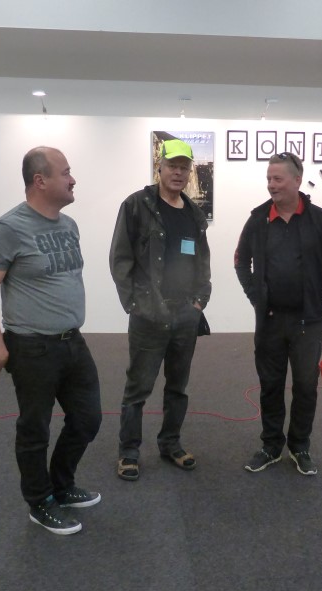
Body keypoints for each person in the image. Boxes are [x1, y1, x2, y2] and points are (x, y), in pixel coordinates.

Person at [0, 146, 102, 535]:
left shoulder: (68, 225)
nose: (73, 179)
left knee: (88, 419)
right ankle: (39, 501)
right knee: (35, 429)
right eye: (66, 173)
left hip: (72, 341)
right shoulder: (8, 230)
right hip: (32, 348)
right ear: (40, 181)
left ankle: (61, 485)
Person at [234, 151, 322, 476]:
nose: (271, 185)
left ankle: (299, 446)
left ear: (297, 180)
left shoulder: (320, 220)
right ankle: (271, 446)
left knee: (305, 386)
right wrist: (256, 296)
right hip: (269, 320)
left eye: (278, 179)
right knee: (270, 384)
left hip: (308, 321)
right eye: (269, 179)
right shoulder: (258, 219)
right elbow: (241, 261)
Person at [109, 138, 211, 481]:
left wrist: (199, 301)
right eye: (172, 166)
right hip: (149, 313)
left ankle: (170, 444)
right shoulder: (136, 205)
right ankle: (129, 452)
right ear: (160, 168)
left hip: (185, 315)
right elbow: (120, 258)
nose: (178, 173)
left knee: (178, 387)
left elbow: (202, 260)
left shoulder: (194, 213)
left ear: (189, 172)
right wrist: (134, 303)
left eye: (184, 167)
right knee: (138, 388)